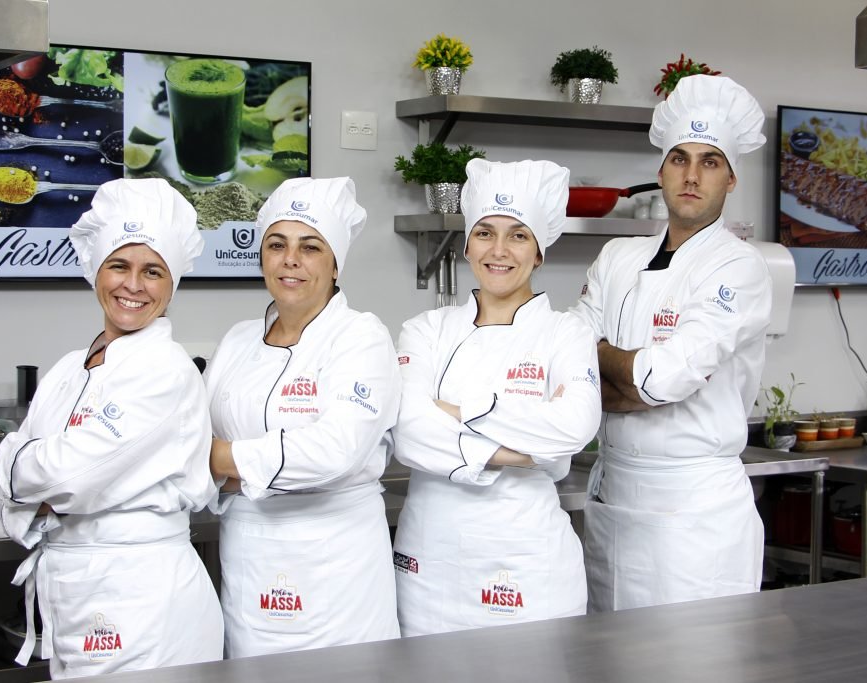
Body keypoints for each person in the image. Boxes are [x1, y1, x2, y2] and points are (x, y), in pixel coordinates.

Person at [0, 178, 224, 678]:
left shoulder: (165, 370)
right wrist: (33, 478)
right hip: (77, 594)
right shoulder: (70, 367)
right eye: (119, 265)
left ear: (171, 284)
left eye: (152, 271)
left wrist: (19, 469)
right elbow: (46, 476)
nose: (133, 285)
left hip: (143, 601)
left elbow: (64, 476)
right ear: (96, 270)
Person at [570, 75, 773, 612]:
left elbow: (664, 378)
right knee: (606, 666)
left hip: (695, 517)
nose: (691, 174)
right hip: (613, 499)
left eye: (710, 162)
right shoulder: (617, 257)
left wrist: (609, 364)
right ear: (660, 171)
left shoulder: (739, 267)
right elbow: (568, 358)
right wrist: (631, 376)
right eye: (680, 158)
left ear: (730, 179)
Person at [392, 159, 602, 636]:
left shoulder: (565, 333)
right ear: (467, 245)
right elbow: (407, 431)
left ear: (539, 252)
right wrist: (523, 453)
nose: (499, 250)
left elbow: (574, 427)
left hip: (526, 561)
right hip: (432, 562)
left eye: (518, 235)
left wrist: (460, 412)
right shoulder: (426, 330)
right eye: (485, 233)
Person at [203, 177, 401, 658]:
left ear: (335, 264)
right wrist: (224, 464)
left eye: (310, 247)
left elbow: (334, 451)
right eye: (277, 244)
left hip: (336, 568)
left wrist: (223, 459)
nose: (290, 259)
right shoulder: (238, 340)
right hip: (250, 564)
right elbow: (193, 441)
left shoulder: (361, 337)